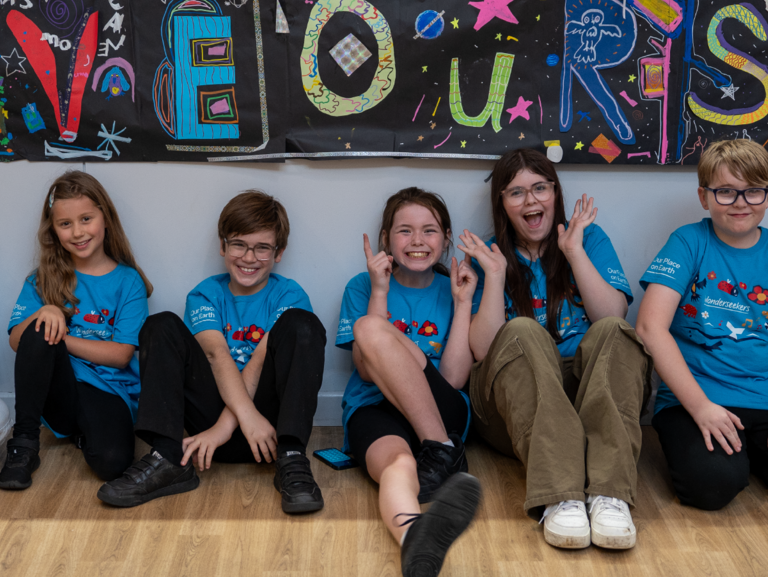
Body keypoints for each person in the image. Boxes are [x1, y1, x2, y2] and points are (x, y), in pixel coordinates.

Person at [459, 148, 651, 550]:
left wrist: (574, 252)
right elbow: (481, 352)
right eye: (516, 193)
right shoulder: (488, 254)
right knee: (524, 330)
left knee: (616, 330)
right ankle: (559, 494)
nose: (531, 201)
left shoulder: (588, 239)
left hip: (583, 396)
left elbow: (612, 313)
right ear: (502, 204)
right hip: (511, 408)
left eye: (540, 188)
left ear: (555, 194)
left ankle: (608, 493)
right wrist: (494, 276)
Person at [97, 190, 327, 513]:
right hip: (207, 431)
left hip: (267, 433)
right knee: (160, 325)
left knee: (303, 324)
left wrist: (233, 425)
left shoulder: (289, 295)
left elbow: (258, 364)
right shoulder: (205, 294)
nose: (249, 258)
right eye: (239, 245)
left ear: (279, 253)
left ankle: (292, 459)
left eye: (262, 248)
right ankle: (168, 458)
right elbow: (217, 356)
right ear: (222, 246)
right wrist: (226, 425)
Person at [336, 187, 481, 577]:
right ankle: (414, 542)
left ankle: (442, 447)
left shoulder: (459, 288)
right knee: (397, 467)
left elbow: (453, 378)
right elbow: (367, 371)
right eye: (404, 231)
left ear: (446, 238)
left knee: (371, 327)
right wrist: (380, 289)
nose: (417, 241)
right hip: (374, 405)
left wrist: (464, 303)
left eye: (429, 230)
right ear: (386, 239)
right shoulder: (361, 287)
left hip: (439, 409)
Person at [636, 139, 768, 511]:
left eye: (754, 191)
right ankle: (735, 460)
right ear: (704, 197)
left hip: (762, 397)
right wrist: (700, 407)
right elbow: (649, 327)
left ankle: (747, 454)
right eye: (726, 191)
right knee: (710, 487)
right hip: (695, 398)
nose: (741, 202)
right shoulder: (688, 241)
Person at [1, 171, 151, 490]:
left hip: (108, 390)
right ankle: (24, 444)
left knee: (112, 464)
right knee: (41, 324)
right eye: (65, 224)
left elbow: (121, 355)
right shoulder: (42, 279)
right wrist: (47, 311)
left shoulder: (128, 282)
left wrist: (63, 338)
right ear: (53, 231)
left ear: (105, 218)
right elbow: (17, 341)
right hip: (61, 390)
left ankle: (83, 433)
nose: (78, 232)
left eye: (86, 219)